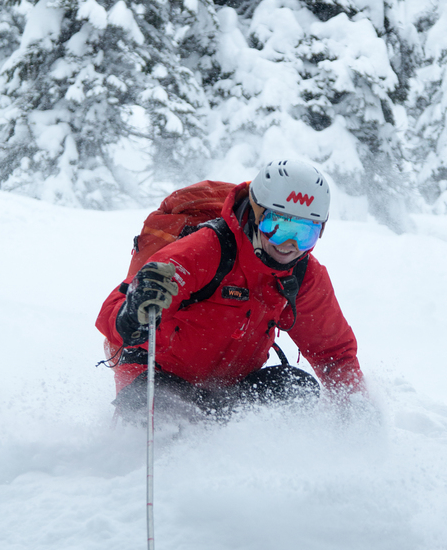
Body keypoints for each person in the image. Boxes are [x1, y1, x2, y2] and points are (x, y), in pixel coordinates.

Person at [96, 160, 365, 422]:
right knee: (175, 427)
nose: (290, 245)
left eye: (305, 232)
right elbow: (115, 306)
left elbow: (334, 353)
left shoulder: (302, 274)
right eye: (278, 227)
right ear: (258, 215)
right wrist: (135, 312)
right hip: (157, 378)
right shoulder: (207, 248)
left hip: (228, 389)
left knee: (295, 389)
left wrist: (357, 408)